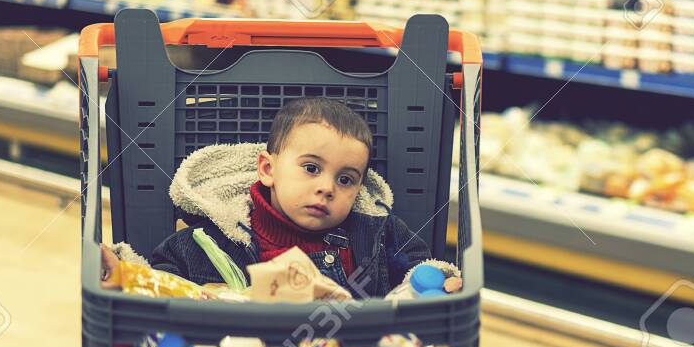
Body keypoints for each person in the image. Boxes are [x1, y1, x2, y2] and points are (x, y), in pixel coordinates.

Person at [103, 96, 459, 299]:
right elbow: (161, 287)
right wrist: (124, 274)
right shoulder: (208, 243)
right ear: (268, 170)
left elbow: (420, 272)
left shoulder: (377, 237)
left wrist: (438, 281)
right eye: (311, 168)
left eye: (346, 179)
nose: (327, 188)